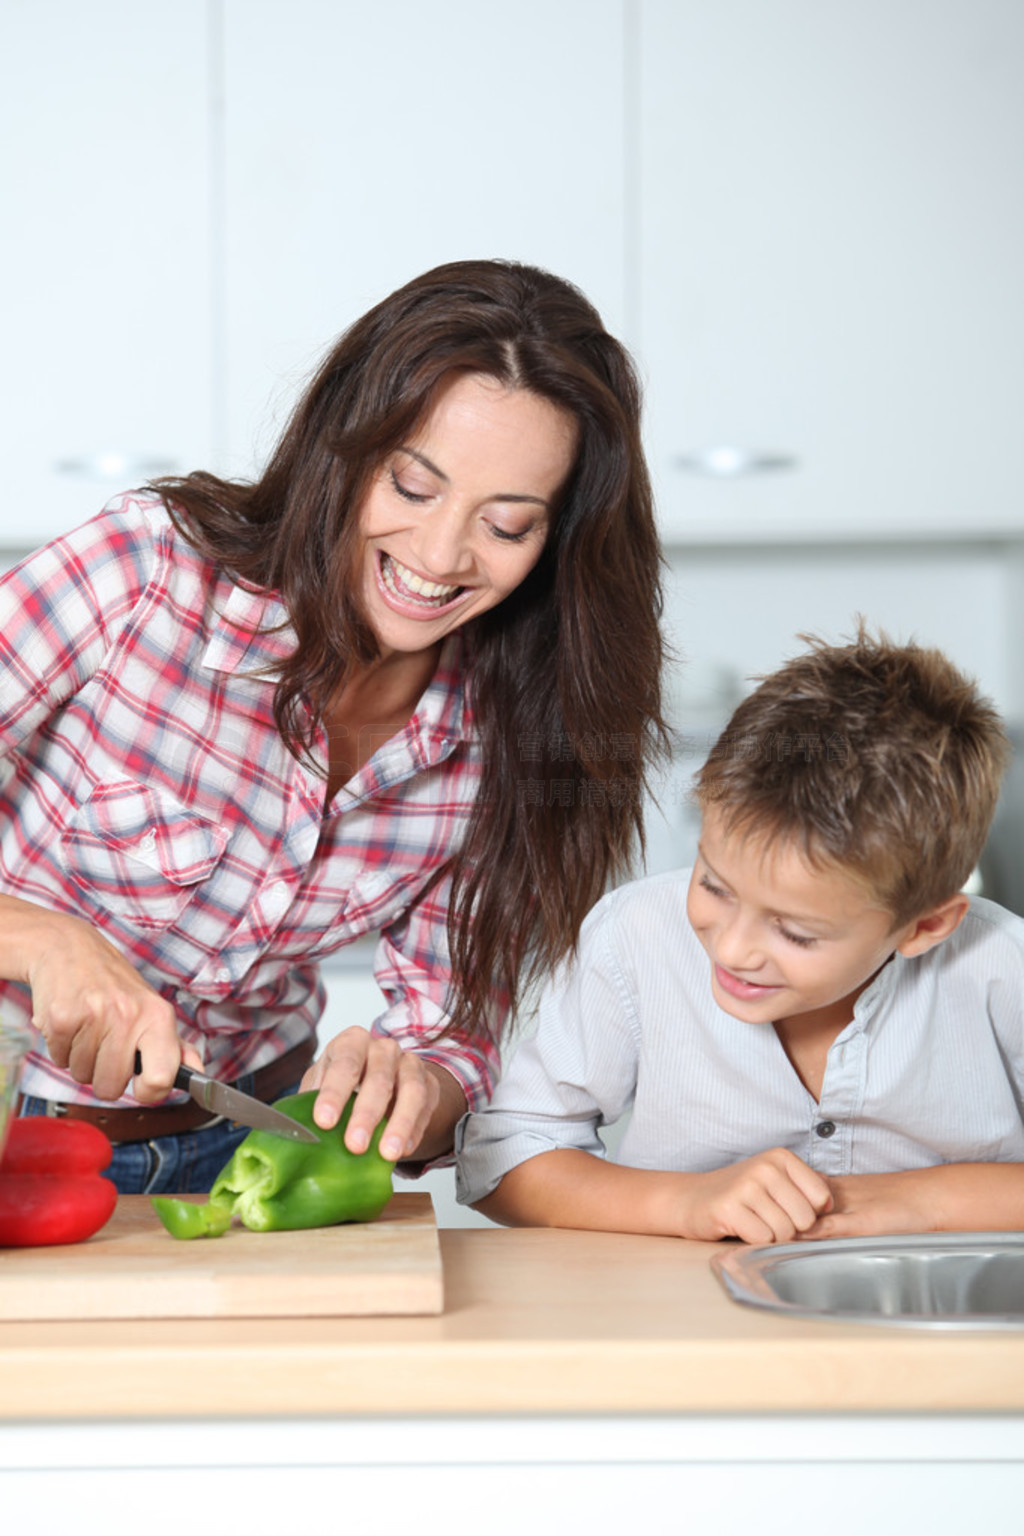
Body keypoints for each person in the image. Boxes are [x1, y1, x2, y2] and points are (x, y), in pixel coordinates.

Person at [0, 258, 669, 1194]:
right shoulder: (144, 575)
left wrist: (411, 1085)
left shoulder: (512, 735)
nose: (440, 555)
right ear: (345, 450)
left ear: (559, 542)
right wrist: (41, 940)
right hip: (15, 1131)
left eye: (507, 525)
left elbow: (449, 1032)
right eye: (412, 485)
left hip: (256, 1148)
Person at [457, 628, 1024, 1244]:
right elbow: (505, 1158)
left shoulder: (1002, 969)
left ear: (925, 926)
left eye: (796, 933)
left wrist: (911, 1202)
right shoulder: (637, 935)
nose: (731, 949)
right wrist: (686, 1203)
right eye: (715, 885)